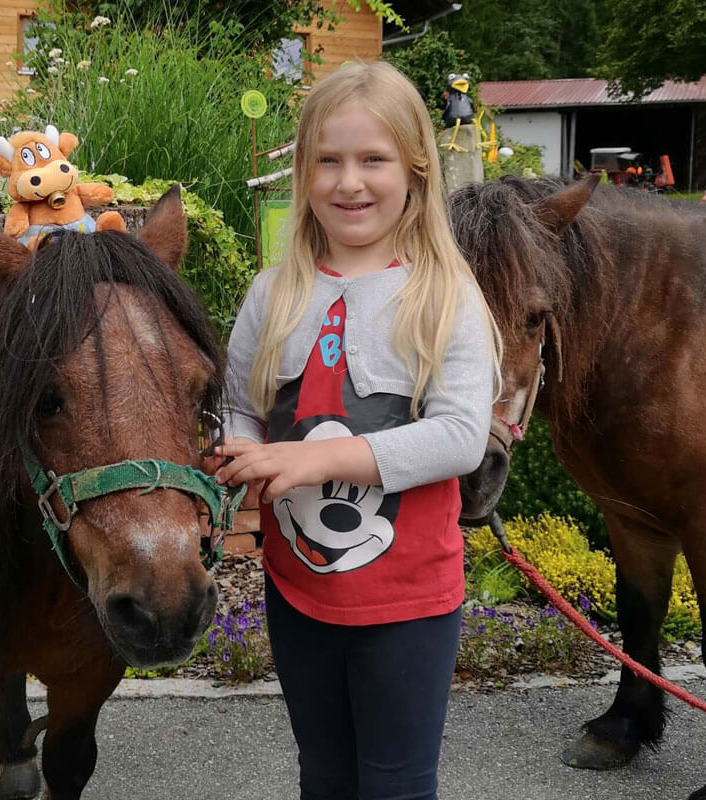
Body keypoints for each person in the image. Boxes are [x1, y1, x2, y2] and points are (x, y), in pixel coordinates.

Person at [214, 61, 502, 800]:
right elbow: (239, 403)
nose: (350, 182)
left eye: (373, 160)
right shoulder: (273, 293)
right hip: (297, 590)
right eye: (329, 161)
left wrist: (319, 459)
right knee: (325, 775)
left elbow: (461, 436)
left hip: (409, 604)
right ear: (304, 173)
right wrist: (237, 445)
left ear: (415, 172)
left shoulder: (446, 296)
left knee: (397, 784)